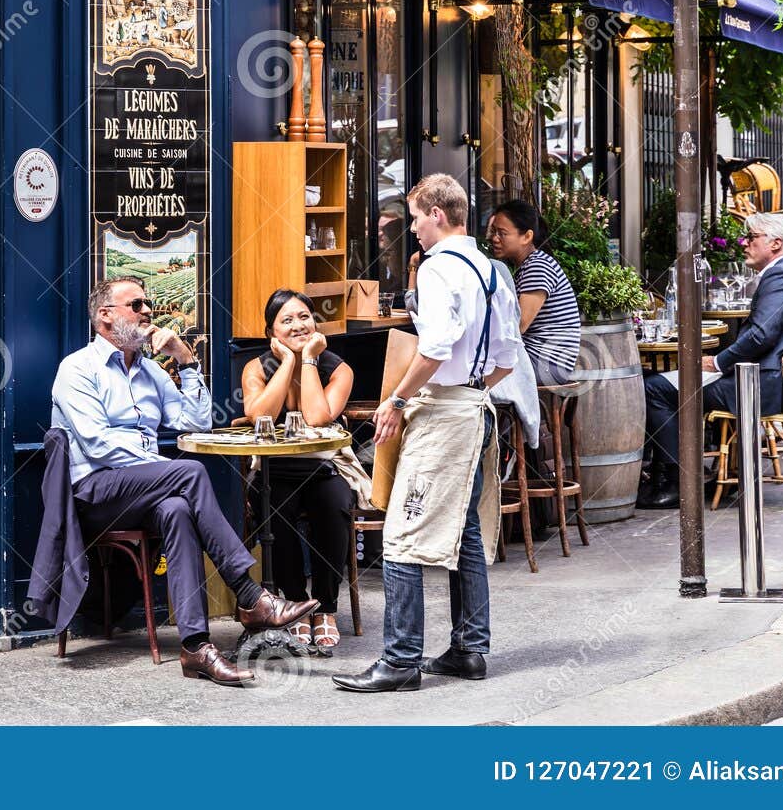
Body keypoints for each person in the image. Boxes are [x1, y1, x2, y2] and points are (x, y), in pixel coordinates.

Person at [52, 276, 317, 686]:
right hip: (95, 491)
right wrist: (163, 469)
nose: (147, 312)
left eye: (147, 304)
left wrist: (186, 359)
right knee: (187, 473)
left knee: (176, 508)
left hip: (145, 487)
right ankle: (249, 596)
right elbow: (98, 446)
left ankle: (196, 648)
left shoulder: (150, 373)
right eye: (136, 305)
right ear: (105, 316)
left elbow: (194, 422)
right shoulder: (77, 369)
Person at [333, 173, 522, 694]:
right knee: (464, 533)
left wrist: (396, 399)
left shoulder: (440, 269)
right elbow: (509, 356)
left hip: (443, 415)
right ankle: (469, 650)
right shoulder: (491, 269)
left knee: (402, 535)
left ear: (437, 214)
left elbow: (435, 346)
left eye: (415, 217)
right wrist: (471, 385)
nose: (412, 227)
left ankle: (399, 661)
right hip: (477, 408)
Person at [638, 212, 783, 509]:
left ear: (775, 244)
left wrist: (719, 362)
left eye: (752, 238)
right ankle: (676, 475)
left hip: (762, 385)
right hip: (768, 379)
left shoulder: (782, 275)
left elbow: (761, 335)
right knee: (661, 383)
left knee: (654, 388)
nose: (744, 243)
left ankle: (675, 483)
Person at [240, 289, 358, 652]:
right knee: (275, 507)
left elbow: (318, 416)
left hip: (323, 467)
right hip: (274, 470)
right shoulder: (257, 369)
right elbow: (259, 415)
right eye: (286, 320)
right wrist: (287, 363)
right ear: (271, 333)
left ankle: (325, 608)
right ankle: (294, 604)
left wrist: (307, 360)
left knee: (335, 504)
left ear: (315, 322)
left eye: (304, 316)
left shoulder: (337, 369)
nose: (298, 325)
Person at [486, 199, 583, 385]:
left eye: (502, 233)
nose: (494, 238)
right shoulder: (528, 265)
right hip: (539, 359)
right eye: (494, 232)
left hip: (546, 364)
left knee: (472, 372)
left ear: (526, 236)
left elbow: (519, 325)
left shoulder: (537, 266)